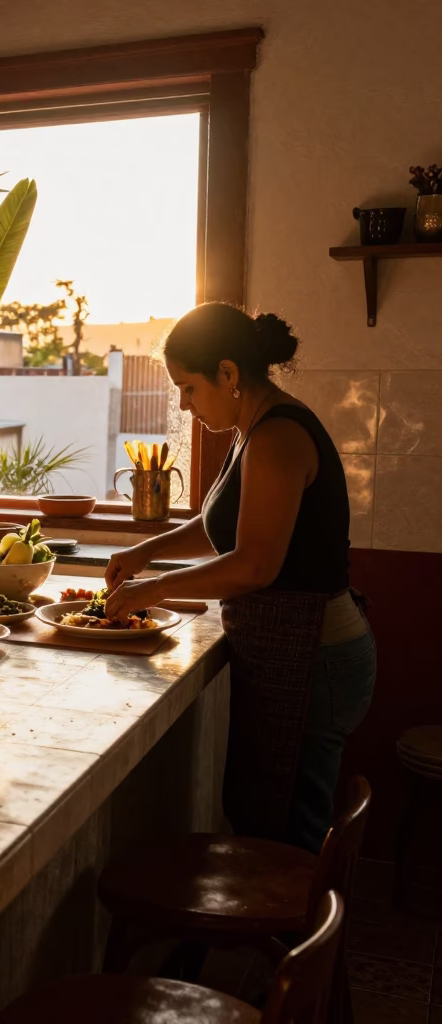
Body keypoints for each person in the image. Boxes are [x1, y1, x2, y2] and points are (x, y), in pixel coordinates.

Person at [103, 302, 376, 853]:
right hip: (297, 647)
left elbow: (255, 564)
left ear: (227, 374)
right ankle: (286, 932)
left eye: (188, 387)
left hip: (315, 656)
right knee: (271, 814)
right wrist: (146, 552)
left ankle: (301, 937)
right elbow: (223, 528)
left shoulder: (277, 437)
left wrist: (152, 588)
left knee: (294, 833)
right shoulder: (252, 428)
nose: (183, 404)